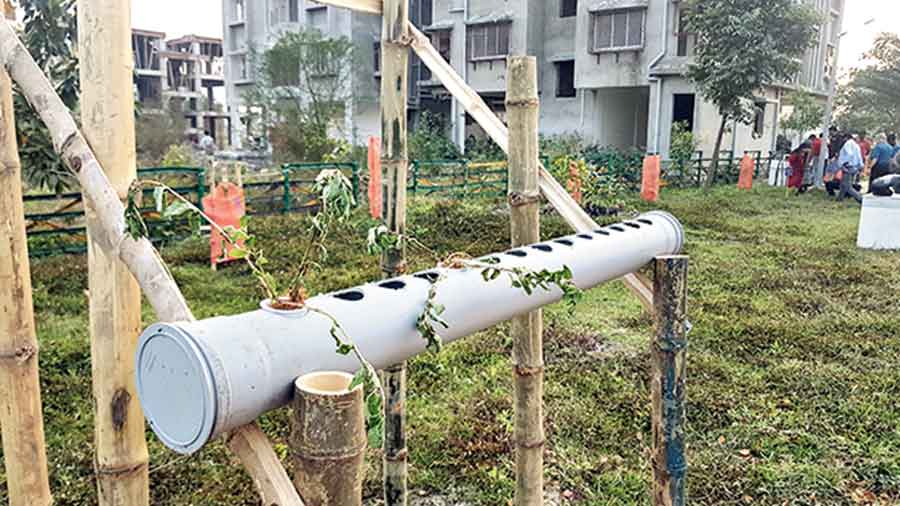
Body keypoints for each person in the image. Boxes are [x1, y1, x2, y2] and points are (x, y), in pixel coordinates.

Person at [837, 132, 864, 204]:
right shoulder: (856, 145)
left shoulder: (848, 144)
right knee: (843, 184)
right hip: (854, 167)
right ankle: (839, 198)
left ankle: (861, 199)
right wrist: (860, 166)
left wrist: (844, 163)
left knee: (848, 187)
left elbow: (849, 154)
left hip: (848, 166)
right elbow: (859, 157)